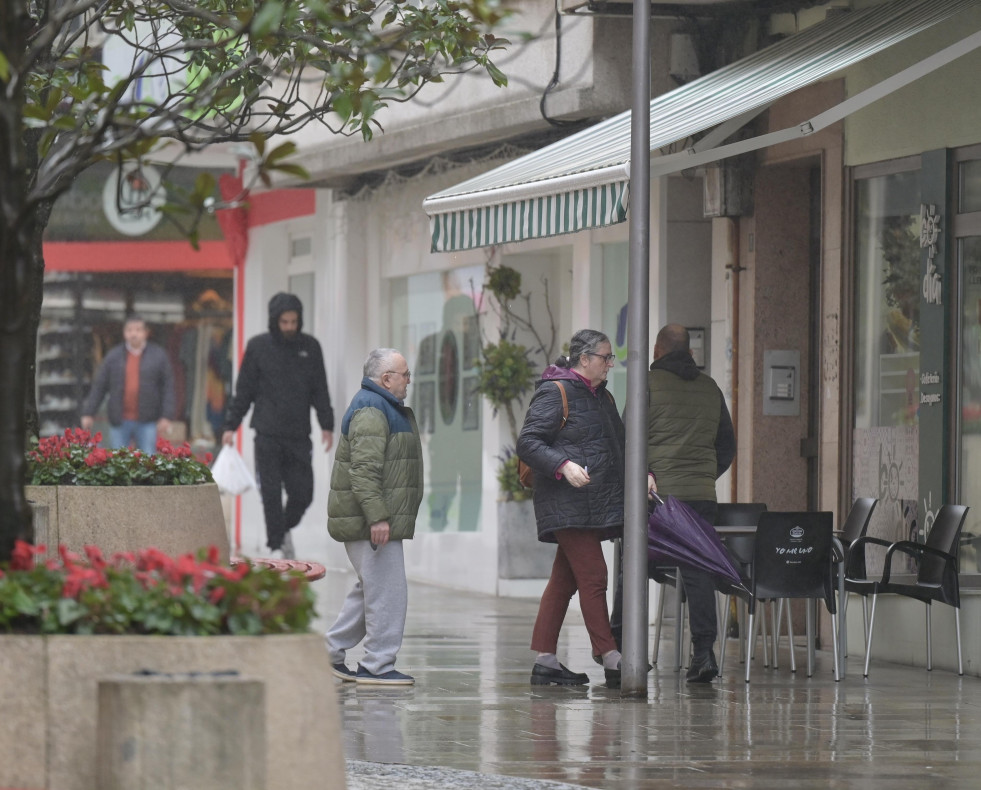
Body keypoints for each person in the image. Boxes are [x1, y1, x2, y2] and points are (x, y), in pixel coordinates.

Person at [516, 329, 625, 688]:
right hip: (566, 502)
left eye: (611, 358)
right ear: (584, 360)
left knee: (564, 582)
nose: (611, 364)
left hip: (592, 504)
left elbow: (621, 445)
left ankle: (545, 661)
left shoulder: (602, 398)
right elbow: (528, 442)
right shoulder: (556, 391)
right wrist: (563, 465)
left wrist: (648, 473)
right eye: (605, 358)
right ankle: (610, 656)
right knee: (594, 575)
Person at [638, 323, 735, 683]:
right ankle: (703, 652)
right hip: (700, 497)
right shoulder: (710, 388)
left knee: (631, 566)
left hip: (657, 498)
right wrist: (705, 475)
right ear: (691, 354)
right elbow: (727, 447)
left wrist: (646, 476)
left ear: (656, 352)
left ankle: (622, 649)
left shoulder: (645, 385)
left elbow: (627, 440)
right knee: (698, 573)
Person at [325, 348, 423, 685]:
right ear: (386, 379)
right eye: (404, 374)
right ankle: (377, 665)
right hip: (371, 522)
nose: (408, 381)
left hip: (369, 519)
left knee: (371, 589)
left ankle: (329, 653)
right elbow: (364, 472)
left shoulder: (381, 406)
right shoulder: (372, 408)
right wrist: (378, 518)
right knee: (388, 592)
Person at [221, 292, 334, 558]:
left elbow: (320, 389)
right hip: (267, 434)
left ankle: (282, 531)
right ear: (275, 320)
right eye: (284, 322)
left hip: (298, 435)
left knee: (303, 493)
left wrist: (326, 424)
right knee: (270, 494)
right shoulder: (258, 347)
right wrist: (230, 426)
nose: (290, 327)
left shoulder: (311, 347)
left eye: (294, 321)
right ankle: (275, 547)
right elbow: (244, 391)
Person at [80, 315, 175, 454]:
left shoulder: (158, 356)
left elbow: (168, 387)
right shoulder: (113, 357)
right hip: (119, 420)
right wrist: (89, 413)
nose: (134, 334)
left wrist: (167, 415)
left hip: (147, 420)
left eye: (138, 330)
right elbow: (99, 386)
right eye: (130, 330)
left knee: (148, 463)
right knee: (118, 463)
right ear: (124, 333)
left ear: (145, 333)